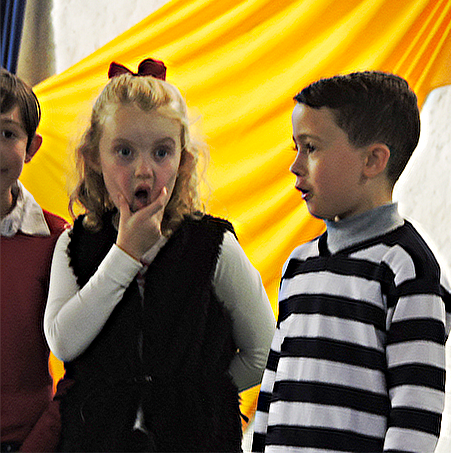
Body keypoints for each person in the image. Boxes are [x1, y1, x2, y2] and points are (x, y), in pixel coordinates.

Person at [43, 59, 276, 452]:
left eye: (161, 153)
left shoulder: (213, 244)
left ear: (184, 161)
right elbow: (63, 342)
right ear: (94, 157)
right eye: (124, 151)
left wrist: (199, 398)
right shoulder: (73, 243)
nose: (144, 171)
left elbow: (263, 349)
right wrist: (125, 254)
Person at [251, 71, 451, 452]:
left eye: (311, 148)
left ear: (373, 160)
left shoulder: (406, 269)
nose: (295, 165)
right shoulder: (298, 266)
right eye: (296, 147)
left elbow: (416, 412)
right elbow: (272, 387)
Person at [0, 68, 68, 453]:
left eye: (7, 134)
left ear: (32, 147)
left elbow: (83, 365)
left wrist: (41, 442)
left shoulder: (57, 240)